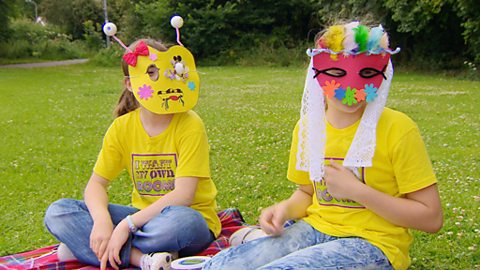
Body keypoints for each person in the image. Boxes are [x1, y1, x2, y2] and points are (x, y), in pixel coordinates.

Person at [204, 21, 443, 270]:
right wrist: (283, 210)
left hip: (372, 243)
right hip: (315, 229)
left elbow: (431, 217)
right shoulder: (309, 128)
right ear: (318, 74)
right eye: (338, 74)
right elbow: (307, 193)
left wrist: (358, 191)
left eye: (366, 74)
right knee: (221, 265)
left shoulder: (398, 128)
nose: (351, 88)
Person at [44, 18, 221, 270]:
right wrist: (103, 221)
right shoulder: (122, 127)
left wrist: (125, 227)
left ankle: (86, 247)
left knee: (180, 223)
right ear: (130, 83)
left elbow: (184, 195)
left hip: (187, 219)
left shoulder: (189, 123)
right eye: (150, 73)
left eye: (163, 70)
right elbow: (96, 184)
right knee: (58, 213)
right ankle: (142, 258)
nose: (159, 78)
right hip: (142, 218)